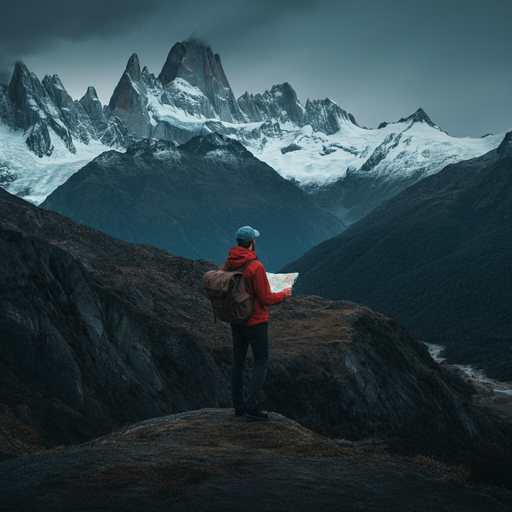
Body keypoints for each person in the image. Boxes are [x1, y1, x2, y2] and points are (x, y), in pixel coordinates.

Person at [223, 226, 292, 421]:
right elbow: (266, 299)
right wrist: (284, 295)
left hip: (236, 321)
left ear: (238, 243)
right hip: (255, 323)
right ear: (252, 242)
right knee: (260, 362)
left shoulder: (228, 263)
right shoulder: (255, 266)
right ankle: (251, 407)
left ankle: (238, 406)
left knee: (238, 362)